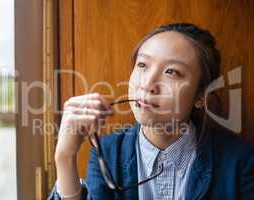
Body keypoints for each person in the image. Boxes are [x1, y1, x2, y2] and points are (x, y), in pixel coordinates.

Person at [48, 23, 254, 200]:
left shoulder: (240, 161)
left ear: (201, 96)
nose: (146, 84)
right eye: (142, 65)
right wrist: (65, 158)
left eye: (171, 72)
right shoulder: (108, 151)